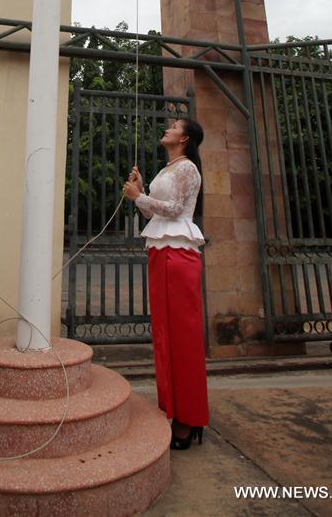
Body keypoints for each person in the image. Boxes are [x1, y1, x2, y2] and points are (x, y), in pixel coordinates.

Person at [123, 117, 208, 450]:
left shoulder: (188, 169)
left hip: (178, 255)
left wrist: (138, 198)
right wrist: (141, 191)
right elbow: (153, 215)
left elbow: (174, 210)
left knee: (182, 339)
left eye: (173, 126)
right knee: (164, 334)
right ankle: (174, 409)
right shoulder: (168, 169)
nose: (167, 128)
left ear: (184, 137)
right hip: (161, 252)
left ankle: (188, 418)